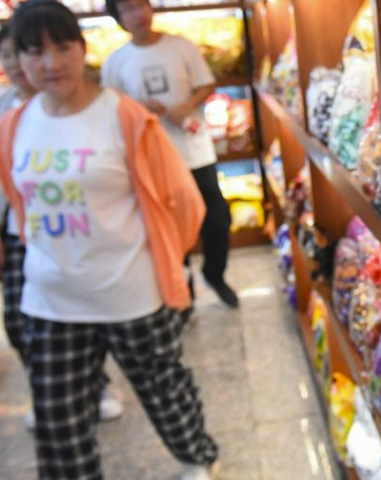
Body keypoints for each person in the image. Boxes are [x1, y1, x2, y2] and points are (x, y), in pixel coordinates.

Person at [0, 2, 220, 479]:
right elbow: (20, 207)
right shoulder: (15, 125)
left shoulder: (124, 116)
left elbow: (183, 201)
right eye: (34, 52)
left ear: (83, 49)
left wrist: (163, 257)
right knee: (61, 429)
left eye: (63, 47)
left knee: (165, 390)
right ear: (17, 59)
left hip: (131, 293)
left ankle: (196, 458)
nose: (51, 63)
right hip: (52, 300)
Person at [0, 24, 124, 431]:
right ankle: (57, 392)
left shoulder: (80, 107)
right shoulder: (7, 113)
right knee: (20, 321)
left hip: (88, 237)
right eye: (12, 56)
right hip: (21, 231)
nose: (21, 65)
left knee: (89, 321)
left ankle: (96, 384)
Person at [102, 0, 239, 309]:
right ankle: (183, 290)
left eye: (140, 5)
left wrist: (185, 106)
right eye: (128, 9)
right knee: (170, 227)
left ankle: (214, 274)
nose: (137, 14)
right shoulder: (116, 62)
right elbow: (112, 109)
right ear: (118, 18)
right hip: (152, 159)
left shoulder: (181, 46)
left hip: (195, 150)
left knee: (216, 219)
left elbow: (206, 84)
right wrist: (139, 110)